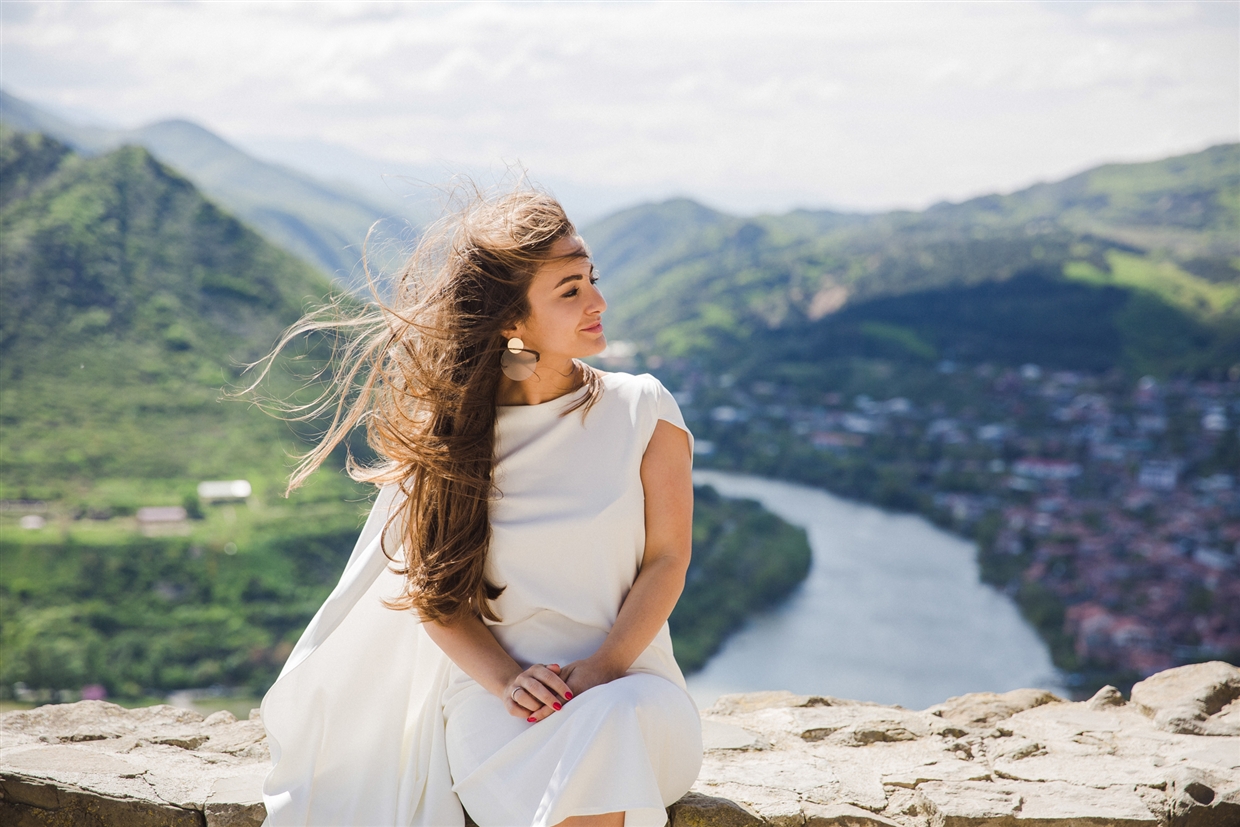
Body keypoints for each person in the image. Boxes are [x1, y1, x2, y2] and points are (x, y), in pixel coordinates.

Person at [253, 188, 704, 827]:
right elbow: (436, 597)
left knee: (609, 726)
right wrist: (507, 681)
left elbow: (668, 558)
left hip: (635, 688)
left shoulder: (644, 410)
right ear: (510, 323)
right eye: (570, 290)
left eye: (592, 280)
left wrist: (603, 669)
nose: (599, 302)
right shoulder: (452, 439)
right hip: (503, 705)